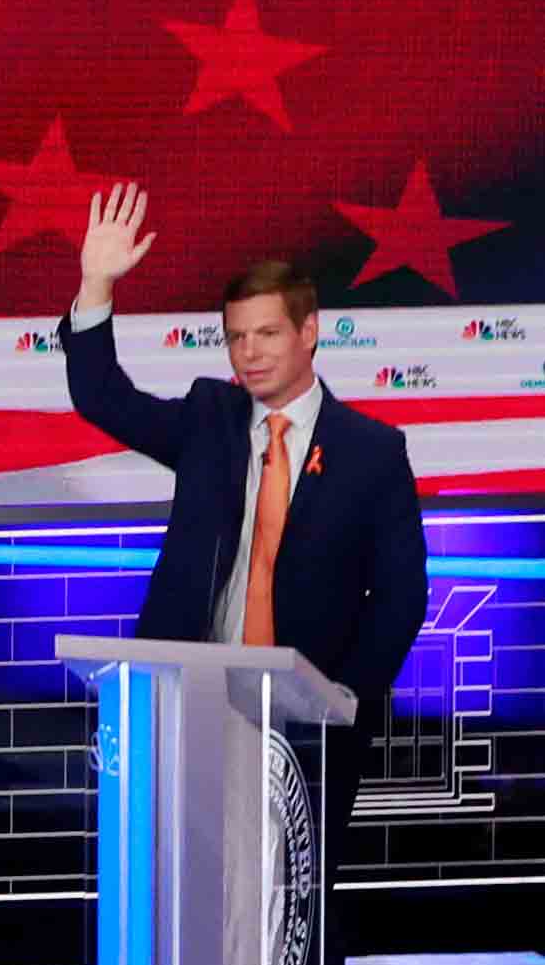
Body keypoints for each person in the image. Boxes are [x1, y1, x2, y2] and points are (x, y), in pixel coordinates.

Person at [60, 183, 427, 720]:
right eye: (235, 337)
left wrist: (345, 697)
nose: (248, 353)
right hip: (184, 705)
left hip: (307, 719)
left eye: (267, 333)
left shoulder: (372, 452)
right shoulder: (209, 419)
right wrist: (96, 284)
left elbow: (402, 596)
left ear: (309, 331)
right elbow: (102, 397)